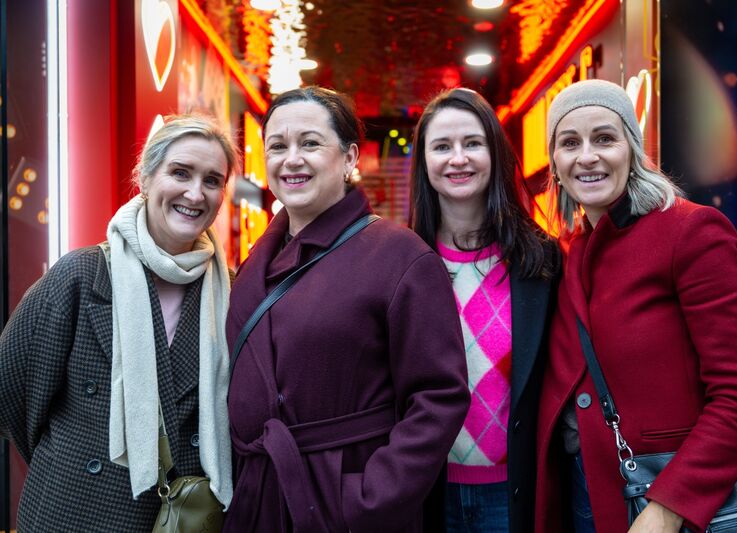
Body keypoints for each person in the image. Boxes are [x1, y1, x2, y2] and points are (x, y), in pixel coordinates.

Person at [223, 86, 470, 533]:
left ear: (351, 157)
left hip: (345, 506)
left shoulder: (399, 256)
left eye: (310, 143)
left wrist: (367, 500)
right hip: (259, 500)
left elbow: (439, 397)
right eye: (277, 146)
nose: (291, 159)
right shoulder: (254, 262)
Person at [535, 79, 737, 533]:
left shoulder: (691, 231)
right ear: (556, 164)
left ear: (633, 150)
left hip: (668, 508)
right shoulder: (573, 249)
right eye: (569, 143)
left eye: (604, 138)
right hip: (590, 498)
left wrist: (666, 510)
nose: (587, 155)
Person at [0, 114, 238, 530]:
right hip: (72, 513)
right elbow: (10, 392)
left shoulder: (232, 292)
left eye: (212, 180)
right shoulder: (80, 274)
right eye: (180, 172)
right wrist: (70, 459)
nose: (195, 193)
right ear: (145, 179)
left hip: (174, 520)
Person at [409, 88, 559, 533]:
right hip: (427, 491)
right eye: (442, 147)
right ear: (424, 163)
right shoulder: (400, 261)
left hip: (515, 493)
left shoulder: (542, 261)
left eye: (472, 143)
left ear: (494, 151)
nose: (458, 158)